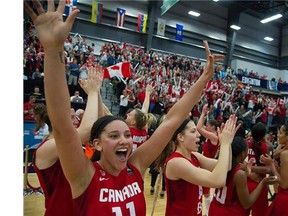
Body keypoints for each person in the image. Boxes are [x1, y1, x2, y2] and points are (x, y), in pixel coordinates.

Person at [24, 1, 224, 214]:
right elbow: (63, 127)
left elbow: (173, 120)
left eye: (127, 134)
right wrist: (53, 50)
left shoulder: (135, 166)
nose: (125, 140)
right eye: (114, 136)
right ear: (96, 144)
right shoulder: (85, 175)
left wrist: (204, 80)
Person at [30, 66, 104, 216]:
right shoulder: (46, 148)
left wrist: (97, 93)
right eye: (72, 117)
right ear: (57, 120)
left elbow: (99, 126)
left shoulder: (71, 143)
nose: (76, 119)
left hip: (83, 209)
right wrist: (92, 92)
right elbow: (86, 130)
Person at [155, 113, 239, 216]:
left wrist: (226, 143)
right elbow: (218, 181)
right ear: (180, 137)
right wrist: (225, 144)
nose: (199, 134)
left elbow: (227, 167)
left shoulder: (194, 155)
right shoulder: (176, 162)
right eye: (193, 131)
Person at [209, 136, 278, 216]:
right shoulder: (239, 174)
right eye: (247, 150)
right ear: (242, 153)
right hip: (230, 211)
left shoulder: (222, 164)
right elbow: (247, 203)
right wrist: (263, 182)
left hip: (215, 208)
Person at [196, 103, 221, 214]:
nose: (206, 125)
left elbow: (198, 128)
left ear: (213, 128)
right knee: (203, 192)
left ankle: (209, 212)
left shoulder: (214, 136)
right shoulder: (212, 136)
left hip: (207, 167)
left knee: (205, 193)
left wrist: (203, 113)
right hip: (204, 165)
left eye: (208, 124)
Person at [260, 124, 288, 216]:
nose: (278, 135)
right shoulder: (284, 150)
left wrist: (271, 165)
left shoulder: (285, 154)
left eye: (280, 133)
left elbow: (284, 184)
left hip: (285, 199)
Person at [246, 122, 271, 216]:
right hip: (260, 183)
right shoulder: (265, 147)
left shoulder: (245, 144)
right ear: (264, 136)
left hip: (245, 182)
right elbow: (267, 169)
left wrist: (249, 170)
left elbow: (240, 165)